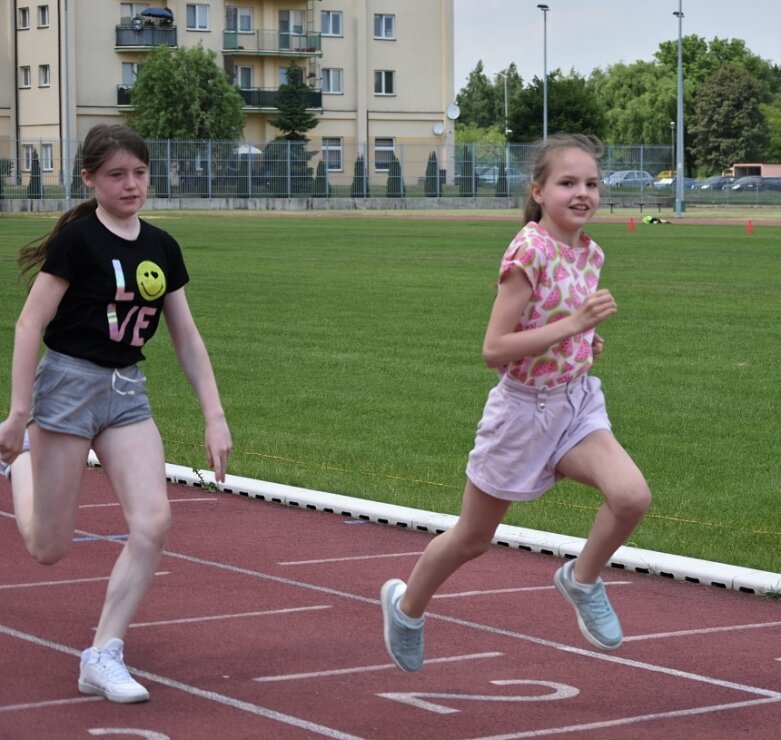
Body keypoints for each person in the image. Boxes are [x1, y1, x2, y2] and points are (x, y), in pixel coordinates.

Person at [381, 134, 652, 672]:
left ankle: (582, 579)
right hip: (522, 412)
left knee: (631, 497)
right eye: (568, 183)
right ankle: (407, 609)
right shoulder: (529, 251)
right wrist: (571, 325)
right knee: (473, 538)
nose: (583, 194)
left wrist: (584, 341)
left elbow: (558, 327)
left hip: (575, 405)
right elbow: (495, 348)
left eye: (592, 184)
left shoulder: (590, 252)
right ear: (539, 190)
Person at [0, 123, 232, 702]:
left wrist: (215, 416)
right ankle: (21, 458)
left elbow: (186, 337)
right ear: (90, 179)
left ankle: (102, 653)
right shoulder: (77, 241)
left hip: (126, 392)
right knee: (48, 548)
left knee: (153, 522)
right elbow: (30, 325)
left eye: (139, 173)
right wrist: (18, 411)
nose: (131, 185)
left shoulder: (161, 246)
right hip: (67, 388)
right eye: (116, 175)